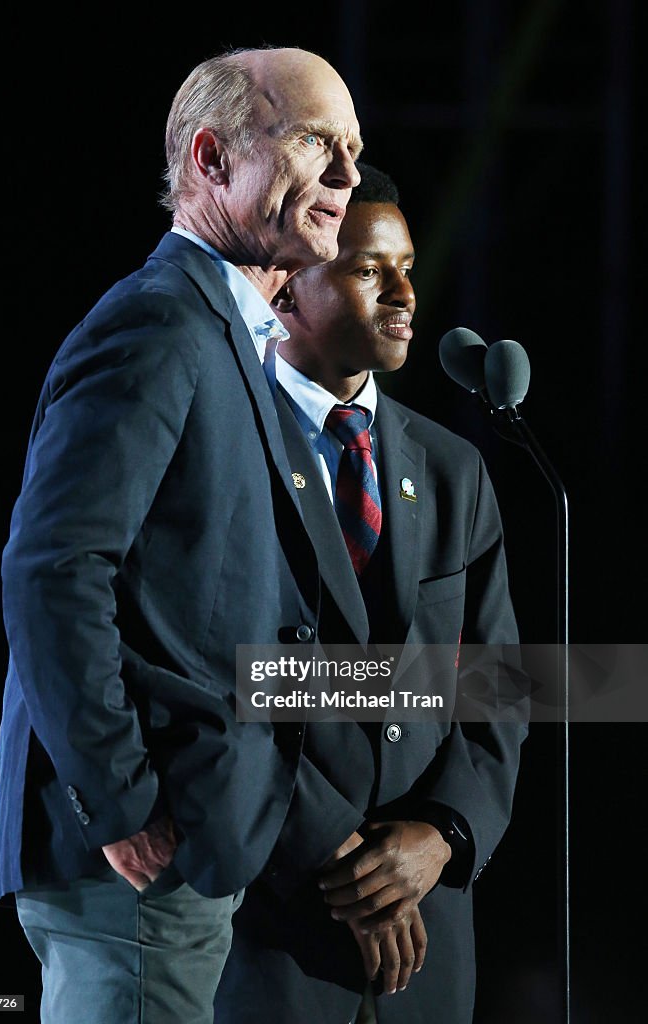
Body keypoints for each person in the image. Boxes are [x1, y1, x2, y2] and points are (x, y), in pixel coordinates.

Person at [0, 46, 363, 1024]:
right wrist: (121, 800)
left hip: (178, 859)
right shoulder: (158, 326)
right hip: (133, 868)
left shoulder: (220, 333)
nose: (347, 179)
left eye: (354, 152)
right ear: (210, 157)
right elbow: (51, 568)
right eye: (319, 143)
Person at [213, 163, 528, 1024]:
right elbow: (212, 680)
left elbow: (496, 680)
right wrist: (338, 859)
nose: (402, 294)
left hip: (430, 933)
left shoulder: (452, 468)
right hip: (275, 922)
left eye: (407, 267)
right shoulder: (220, 443)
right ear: (284, 288)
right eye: (365, 269)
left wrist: (442, 836)